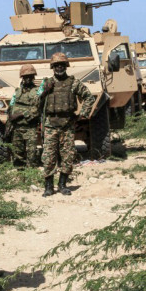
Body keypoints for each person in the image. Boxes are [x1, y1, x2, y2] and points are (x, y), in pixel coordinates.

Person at [40, 52, 95, 196]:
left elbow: (89, 97)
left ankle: (63, 184)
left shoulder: (73, 83)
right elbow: (36, 102)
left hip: (67, 125)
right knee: (48, 157)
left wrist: (83, 113)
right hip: (50, 125)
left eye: (62, 65)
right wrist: (45, 91)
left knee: (68, 156)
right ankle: (48, 186)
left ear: (66, 66)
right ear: (52, 67)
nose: (59, 67)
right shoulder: (46, 83)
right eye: (56, 65)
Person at [7, 64, 41, 167]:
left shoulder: (37, 92)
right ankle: (20, 176)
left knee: (32, 155)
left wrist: (21, 114)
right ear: (22, 78)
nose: (28, 79)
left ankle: (32, 176)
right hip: (17, 128)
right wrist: (9, 123)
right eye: (25, 77)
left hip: (30, 127)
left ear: (33, 77)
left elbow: (37, 110)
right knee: (18, 154)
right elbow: (11, 107)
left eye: (30, 77)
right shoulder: (17, 91)